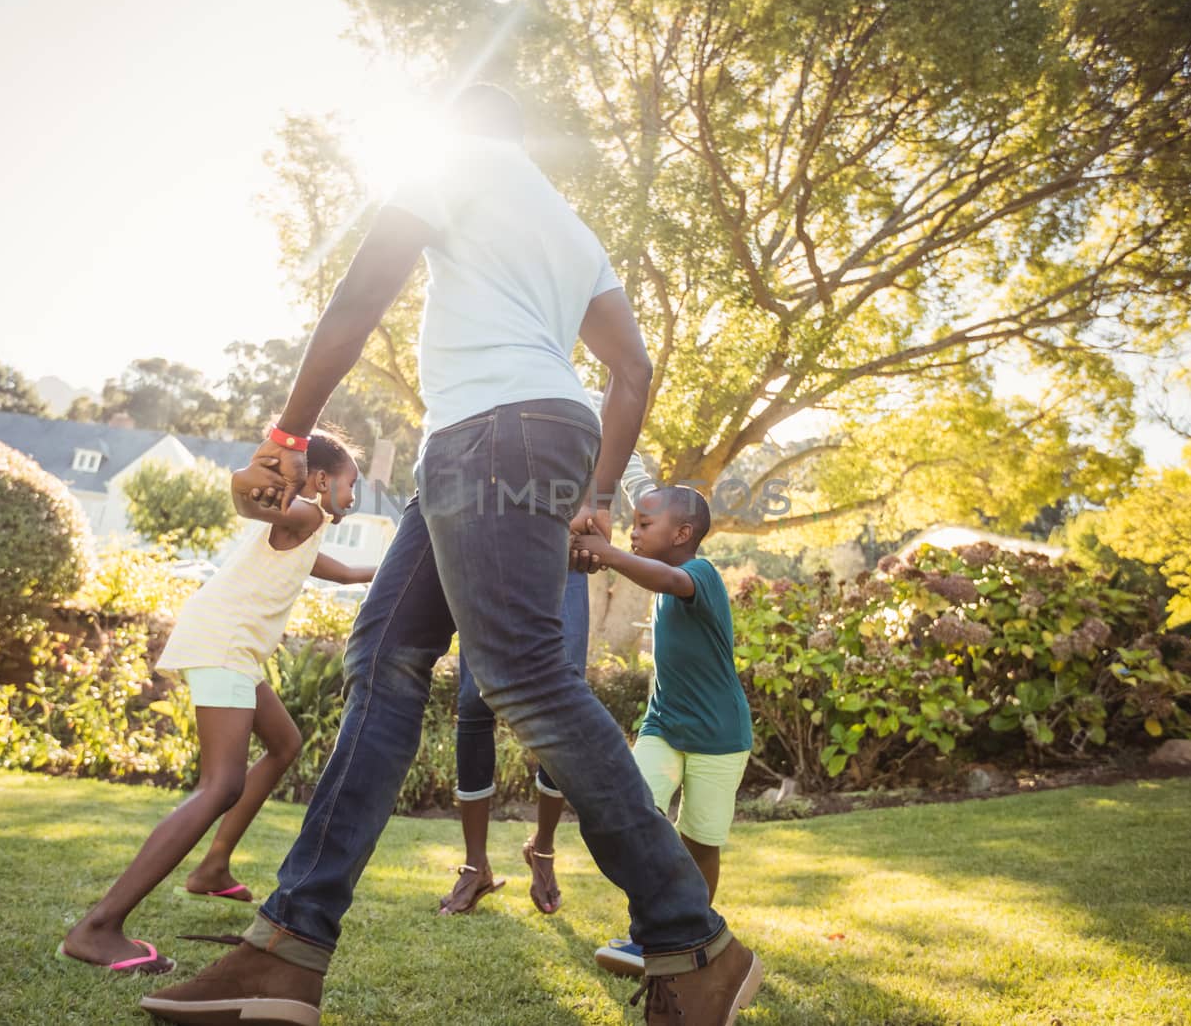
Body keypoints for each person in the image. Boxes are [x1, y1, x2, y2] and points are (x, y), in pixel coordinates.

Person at [140, 83, 761, 1026]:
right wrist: (594, 498)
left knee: (519, 671)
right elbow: (631, 372)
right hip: (504, 440)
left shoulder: (451, 165)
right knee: (383, 659)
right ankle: (288, 949)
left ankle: (694, 938)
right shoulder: (566, 226)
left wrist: (289, 432)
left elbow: (362, 291)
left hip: (490, 435)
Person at [58, 431, 374, 975]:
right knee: (222, 784)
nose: (356, 498)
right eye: (352, 486)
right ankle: (97, 928)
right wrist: (252, 482)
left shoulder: (310, 528)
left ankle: (213, 867)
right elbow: (255, 501)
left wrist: (400, 572)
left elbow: (340, 572)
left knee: (283, 743)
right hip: (224, 644)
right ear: (323, 480)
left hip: (234, 649)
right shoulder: (299, 515)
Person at [440, 438, 655, 917]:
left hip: (563, 566)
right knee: (475, 702)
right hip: (488, 559)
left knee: (564, 701)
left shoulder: (593, 408)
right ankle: (476, 867)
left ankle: (543, 848)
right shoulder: (496, 396)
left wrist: (638, 507)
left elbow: (630, 467)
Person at [571, 486, 752, 978]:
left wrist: (607, 554)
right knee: (637, 816)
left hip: (719, 737)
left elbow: (669, 579)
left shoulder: (700, 575)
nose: (634, 531)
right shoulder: (664, 574)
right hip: (665, 727)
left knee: (700, 841)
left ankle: (694, 936)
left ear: (682, 533)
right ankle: (646, 932)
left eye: (645, 524)